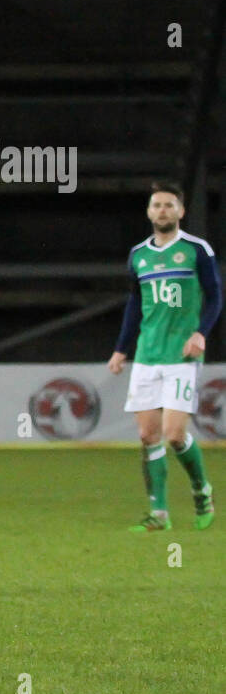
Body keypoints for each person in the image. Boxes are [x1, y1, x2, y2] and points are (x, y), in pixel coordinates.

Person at [109, 183, 219, 531]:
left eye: (169, 205)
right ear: (149, 211)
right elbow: (135, 305)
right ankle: (159, 515)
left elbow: (215, 296)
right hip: (146, 355)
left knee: (174, 435)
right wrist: (121, 349)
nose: (162, 211)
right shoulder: (138, 255)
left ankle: (202, 489)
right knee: (147, 436)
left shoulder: (196, 250)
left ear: (180, 212)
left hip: (181, 356)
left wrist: (201, 332)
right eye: (157, 205)